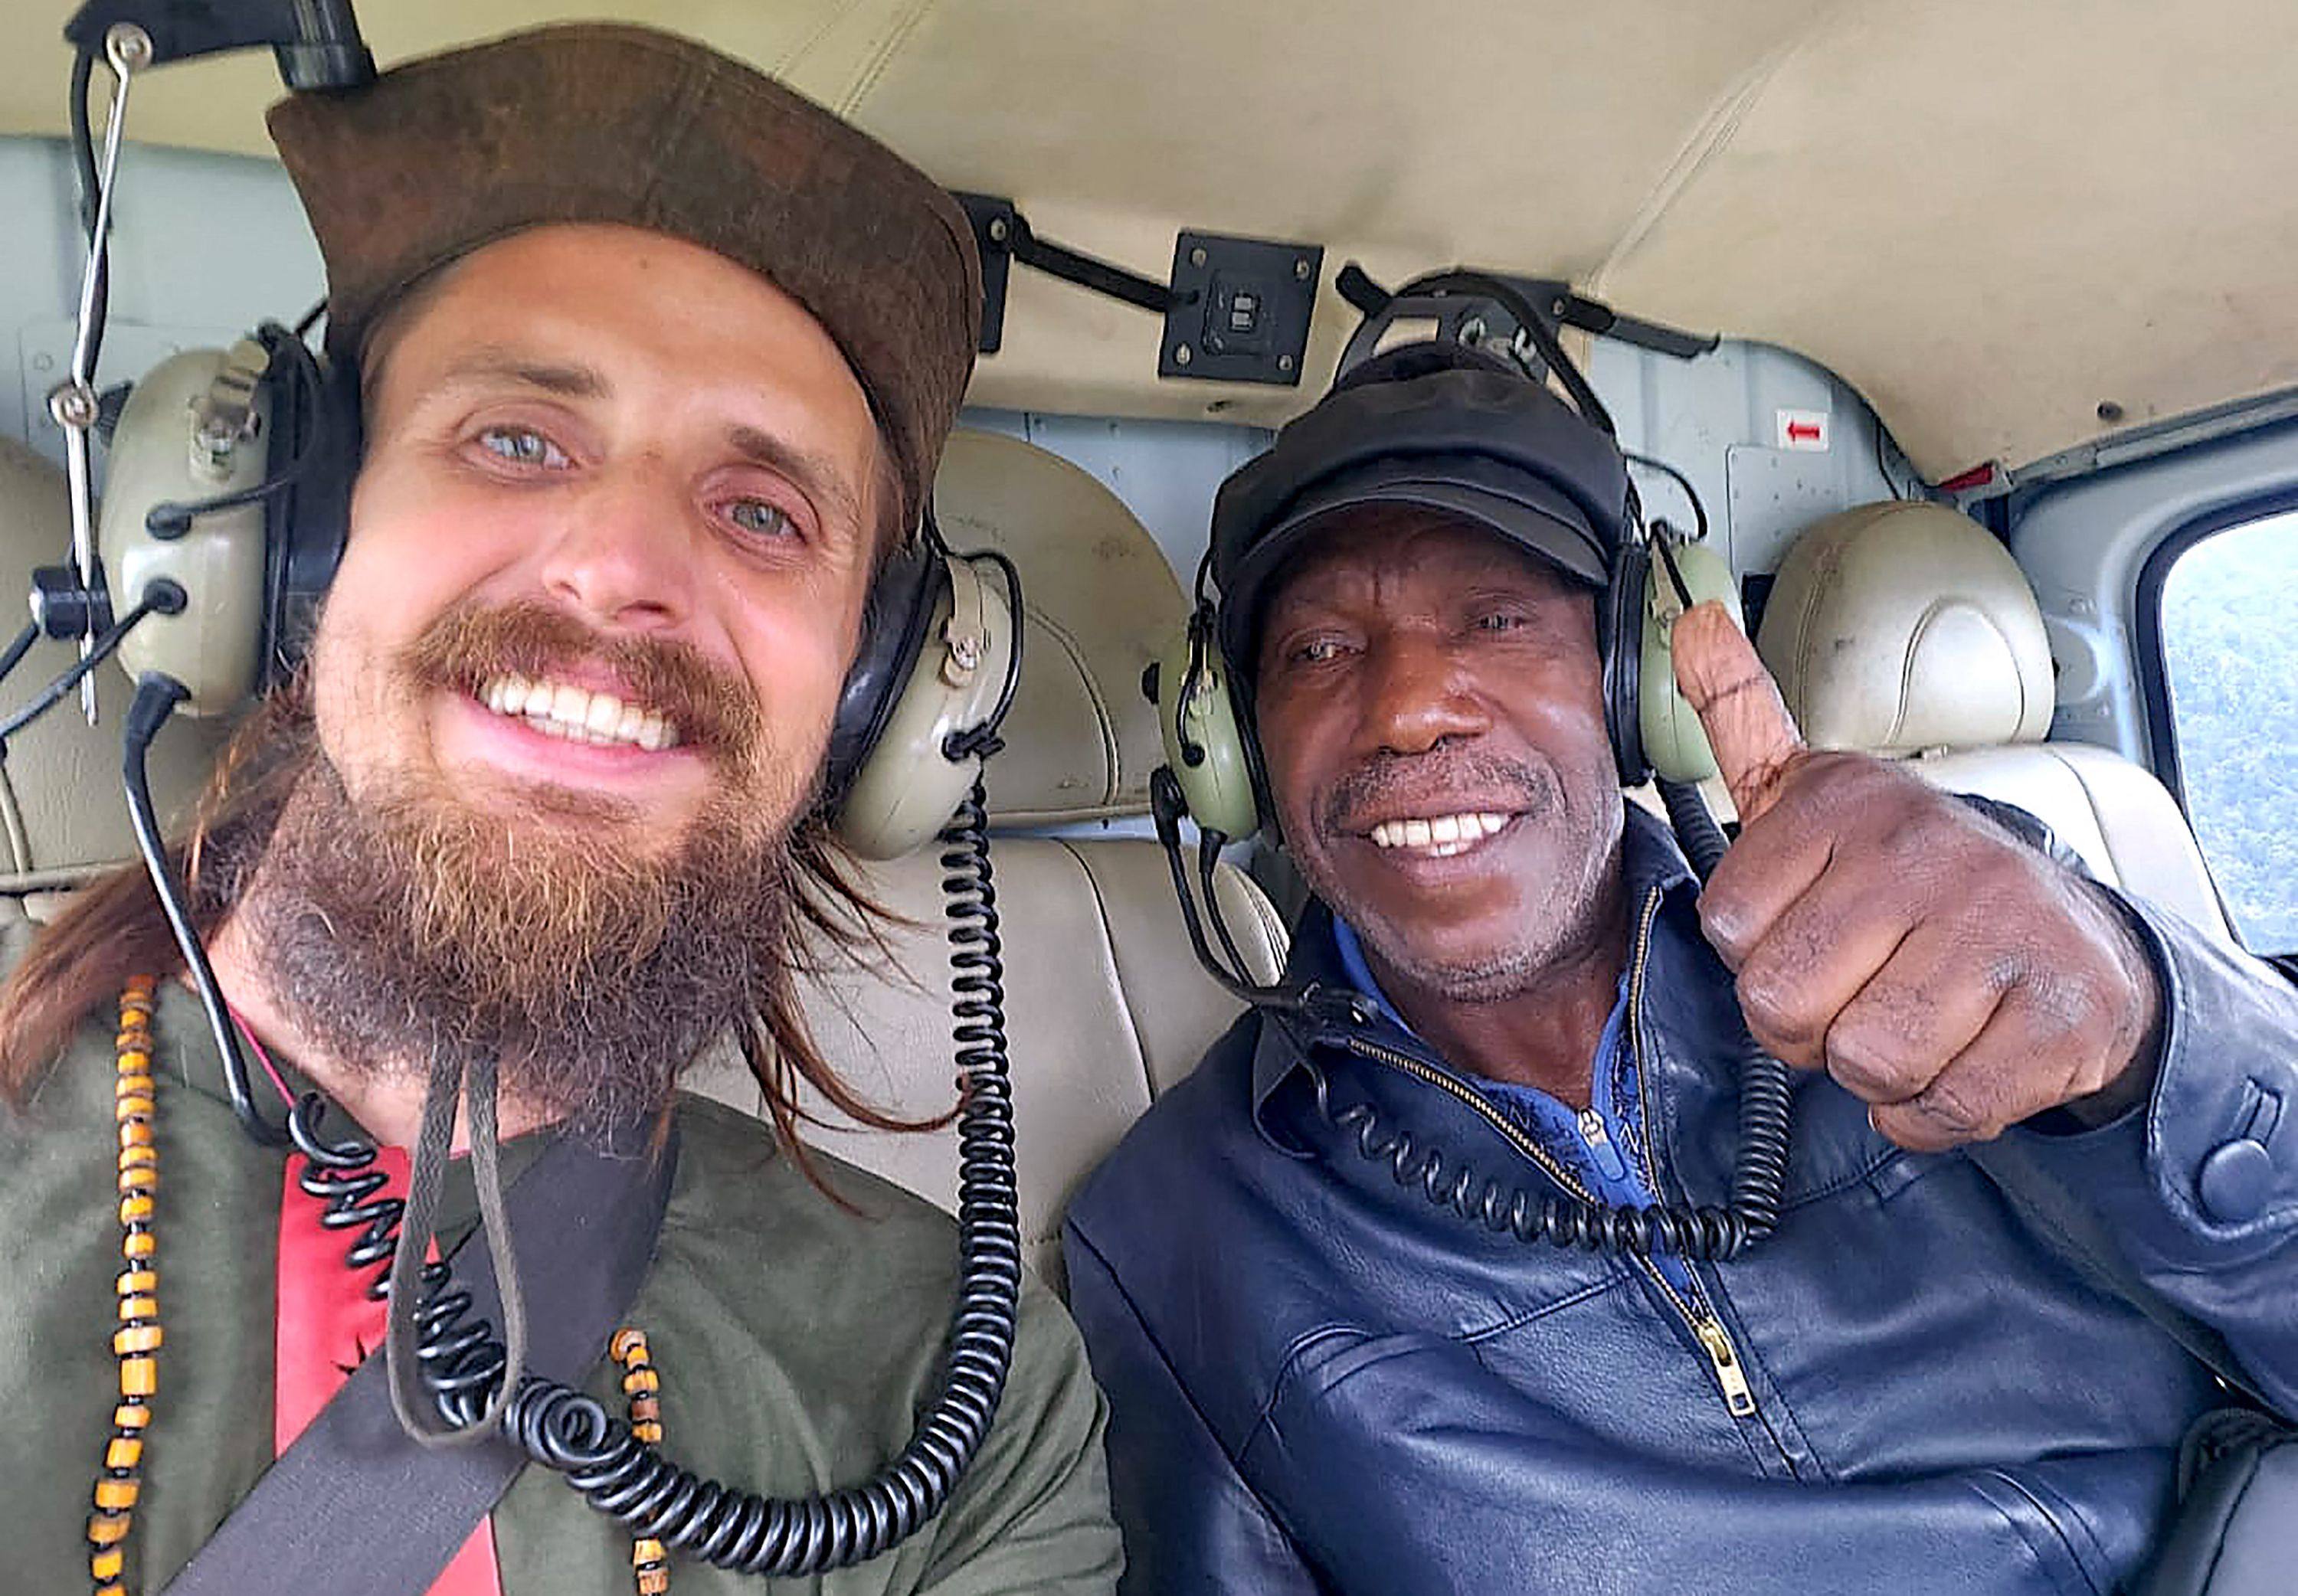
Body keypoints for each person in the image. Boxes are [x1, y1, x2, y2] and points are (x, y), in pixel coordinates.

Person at [0, 22, 1119, 1596]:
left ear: (880, 701)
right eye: (516, 439)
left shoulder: (961, 1393)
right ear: (287, 543)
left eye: (761, 510)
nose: (624, 569)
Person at [1062, 339, 2298, 1593]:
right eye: (1319, 652)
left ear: (1636, 684)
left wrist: (2146, 1029)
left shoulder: (1961, 921)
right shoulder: (1181, 1238)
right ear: (1235, 752)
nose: (1408, 709)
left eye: (1497, 621)